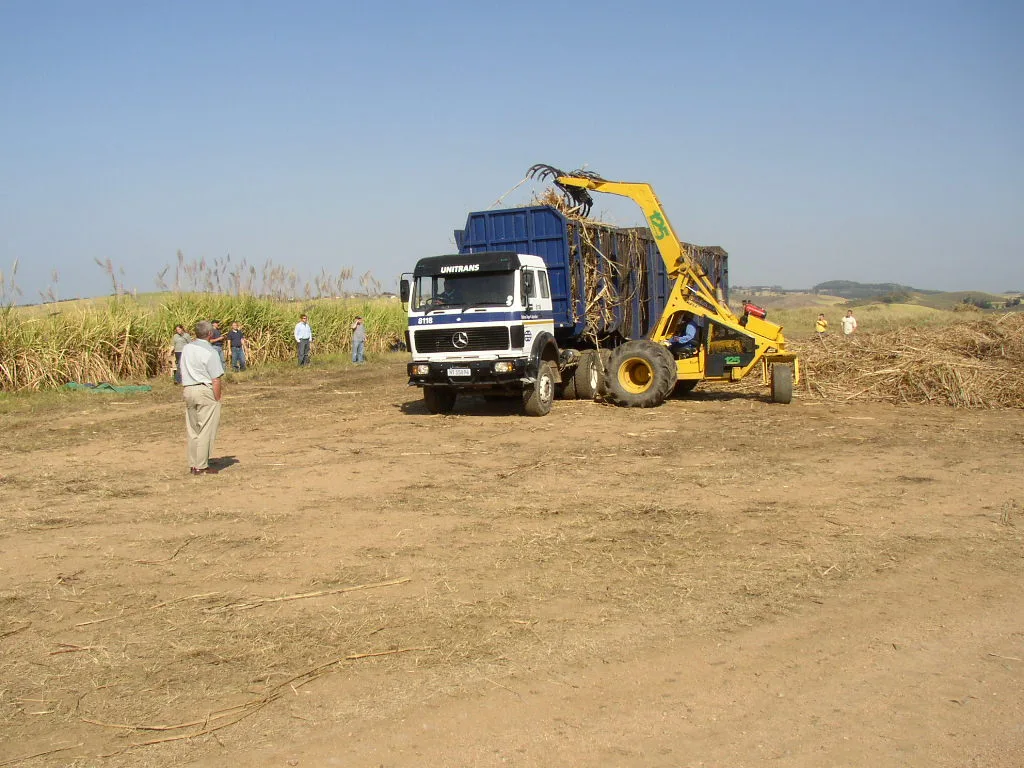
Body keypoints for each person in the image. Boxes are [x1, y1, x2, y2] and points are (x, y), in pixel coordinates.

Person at [180, 320, 225, 475]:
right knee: (206, 429)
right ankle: (201, 465)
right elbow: (216, 378)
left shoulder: (187, 348)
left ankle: (194, 463)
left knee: (193, 429)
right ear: (210, 334)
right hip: (204, 389)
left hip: (188, 389)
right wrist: (217, 398)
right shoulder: (210, 352)